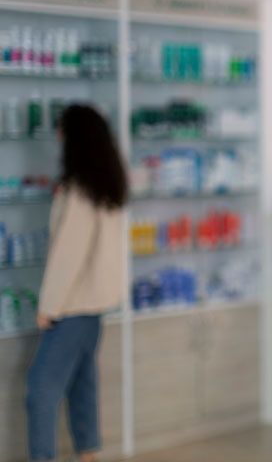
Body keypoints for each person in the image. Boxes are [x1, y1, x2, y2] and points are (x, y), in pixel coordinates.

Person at [26, 104, 127, 462]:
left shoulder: (80, 190)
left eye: (60, 129)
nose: (56, 136)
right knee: (83, 388)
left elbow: (67, 257)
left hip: (71, 308)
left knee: (40, 391)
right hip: (95, 307)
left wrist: (48, 307)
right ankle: (89, 456)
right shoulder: (104, 185)